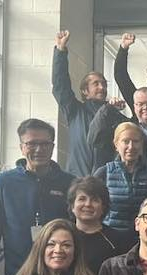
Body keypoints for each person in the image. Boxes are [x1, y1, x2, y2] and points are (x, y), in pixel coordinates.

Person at [0, 118, 74, 275]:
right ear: (22, 148)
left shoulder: (70, 183)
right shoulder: (3, 182)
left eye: (45, 144)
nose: (39, 149)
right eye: (32, 144)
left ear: (53, 147)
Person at [92, 121, 147, 230]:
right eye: (126, 141)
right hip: (111, 236)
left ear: (142, 144)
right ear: (116, 144)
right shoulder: (103, 173)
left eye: (136, 141)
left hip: (143, 237)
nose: (131, 146)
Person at [51, 30, 107, 176]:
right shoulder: (75, 111)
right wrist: (60, 51)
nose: (102, 87)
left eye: (104, 84)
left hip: (104, 186)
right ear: (85, 91)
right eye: (96, 84)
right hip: (77, 181)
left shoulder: (112, 116)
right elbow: (60, 85)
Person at [87, 82, 147, 172]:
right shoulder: (124, 128)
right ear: (134, 107)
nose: (145, 107)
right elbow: (93, 138)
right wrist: (108, 108)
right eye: (140, 104)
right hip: (127, 180)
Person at [66, 176, 137, 275]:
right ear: (72, 206)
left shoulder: (119, 240)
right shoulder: (63, 237)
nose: (88, 204)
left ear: (103, 207)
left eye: (94, 200)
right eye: (82, 199)